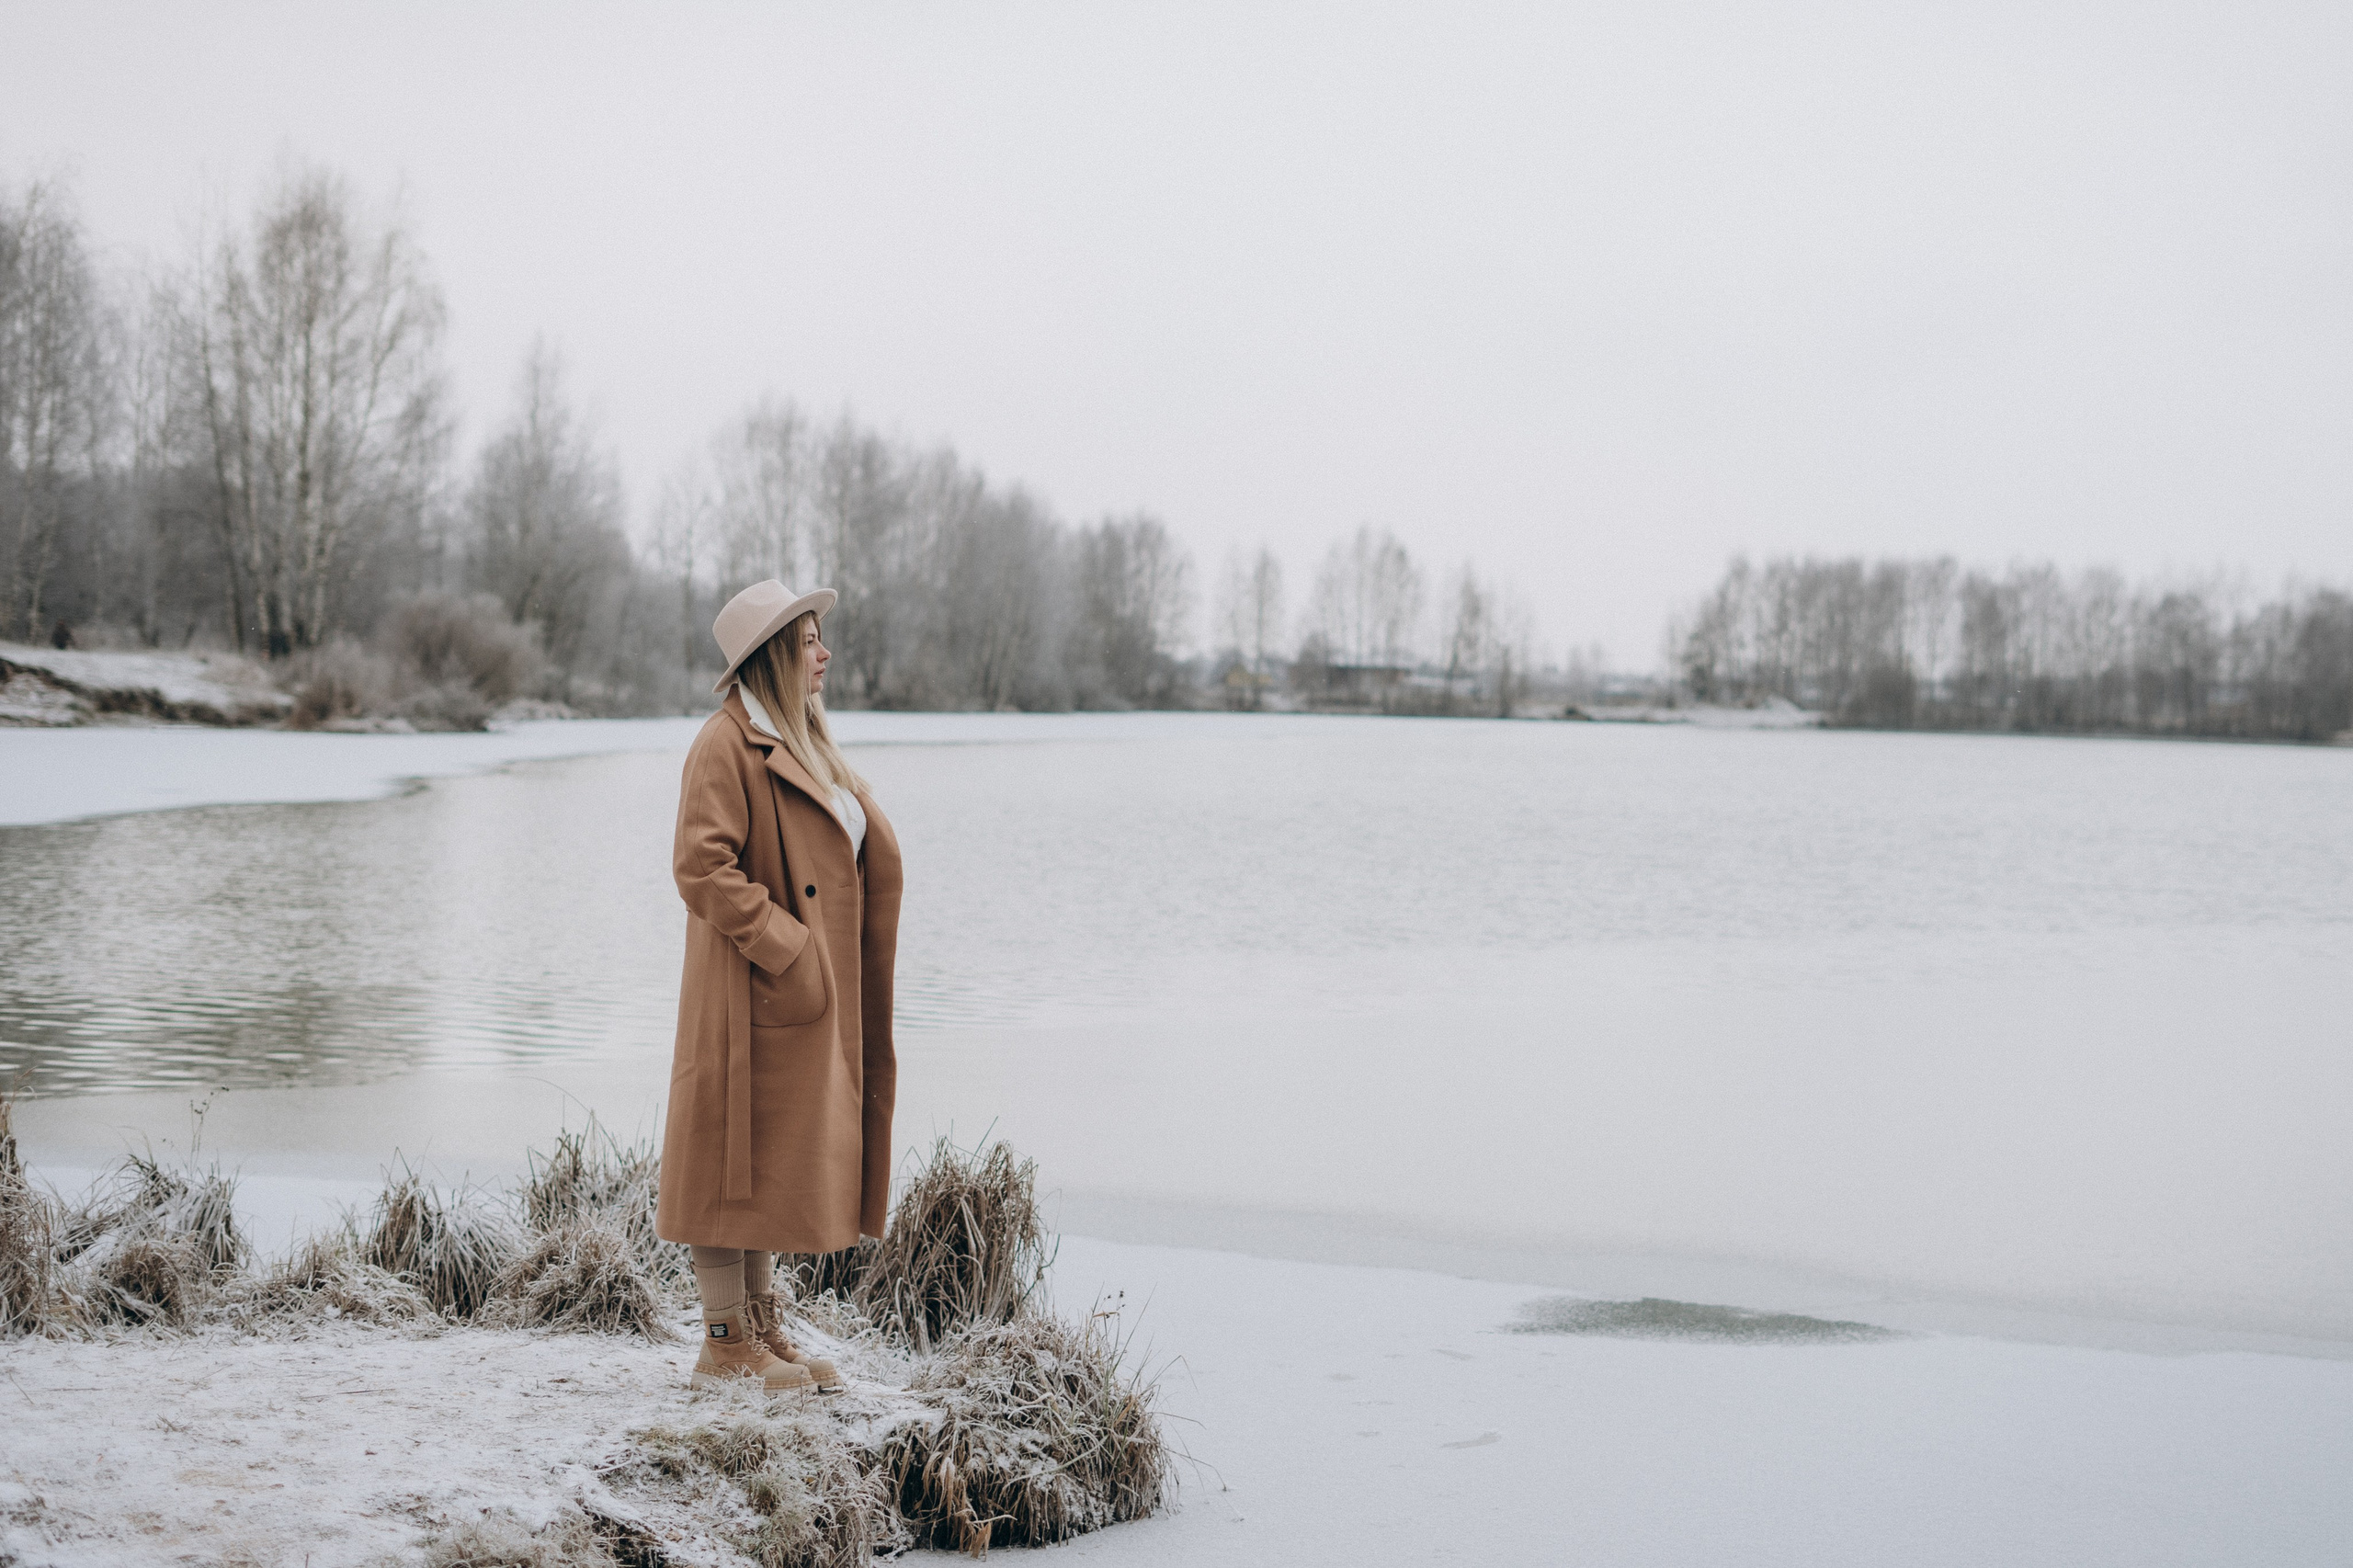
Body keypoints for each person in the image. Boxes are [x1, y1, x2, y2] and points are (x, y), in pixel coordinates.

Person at [654, 580, 903, 1393]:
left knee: (764, 1157)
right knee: (730, 1152)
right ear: (771, 657)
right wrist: (784, 946)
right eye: (807, 642)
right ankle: (724, 1342)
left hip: (804, 990)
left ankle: (757, 1326)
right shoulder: (725, 744)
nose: (824, 655)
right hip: (754, 985)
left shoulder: (799, 738)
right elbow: (701, 865)